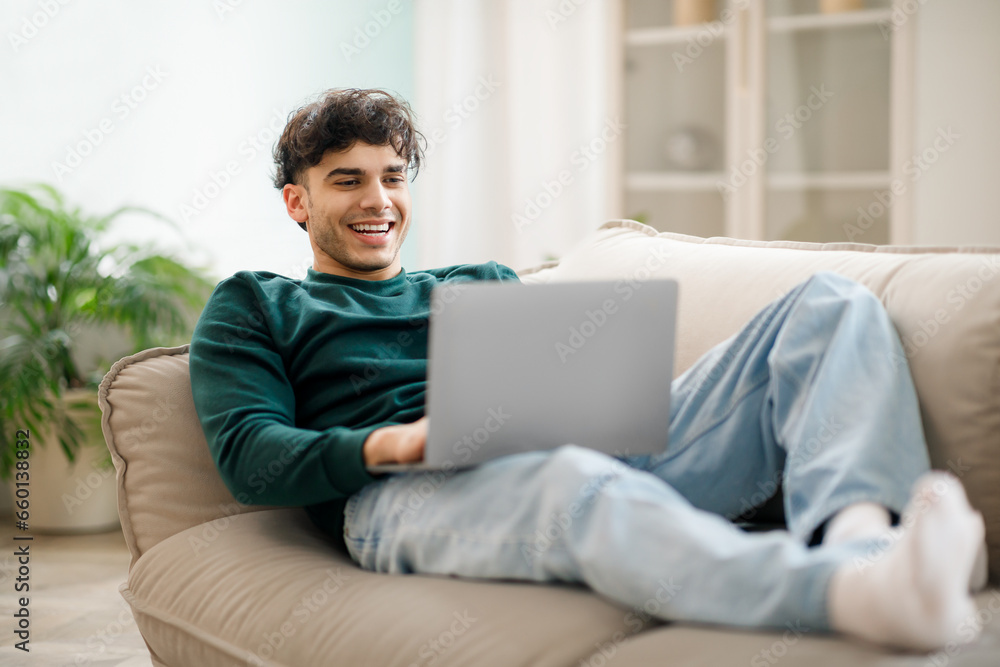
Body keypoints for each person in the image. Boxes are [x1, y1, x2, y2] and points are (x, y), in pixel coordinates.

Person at [188, 88, 988, 652]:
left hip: (587, 452)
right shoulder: (257, 304)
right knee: (568, 479)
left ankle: (867, 540)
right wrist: (393, 443)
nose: (379, 200)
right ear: (297, 202)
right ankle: (853, 595)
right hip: (400, 496)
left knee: (830, 303)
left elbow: (558, 394)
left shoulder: (478, 283)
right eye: (348, 180)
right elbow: (250, 455)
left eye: (393, 177)